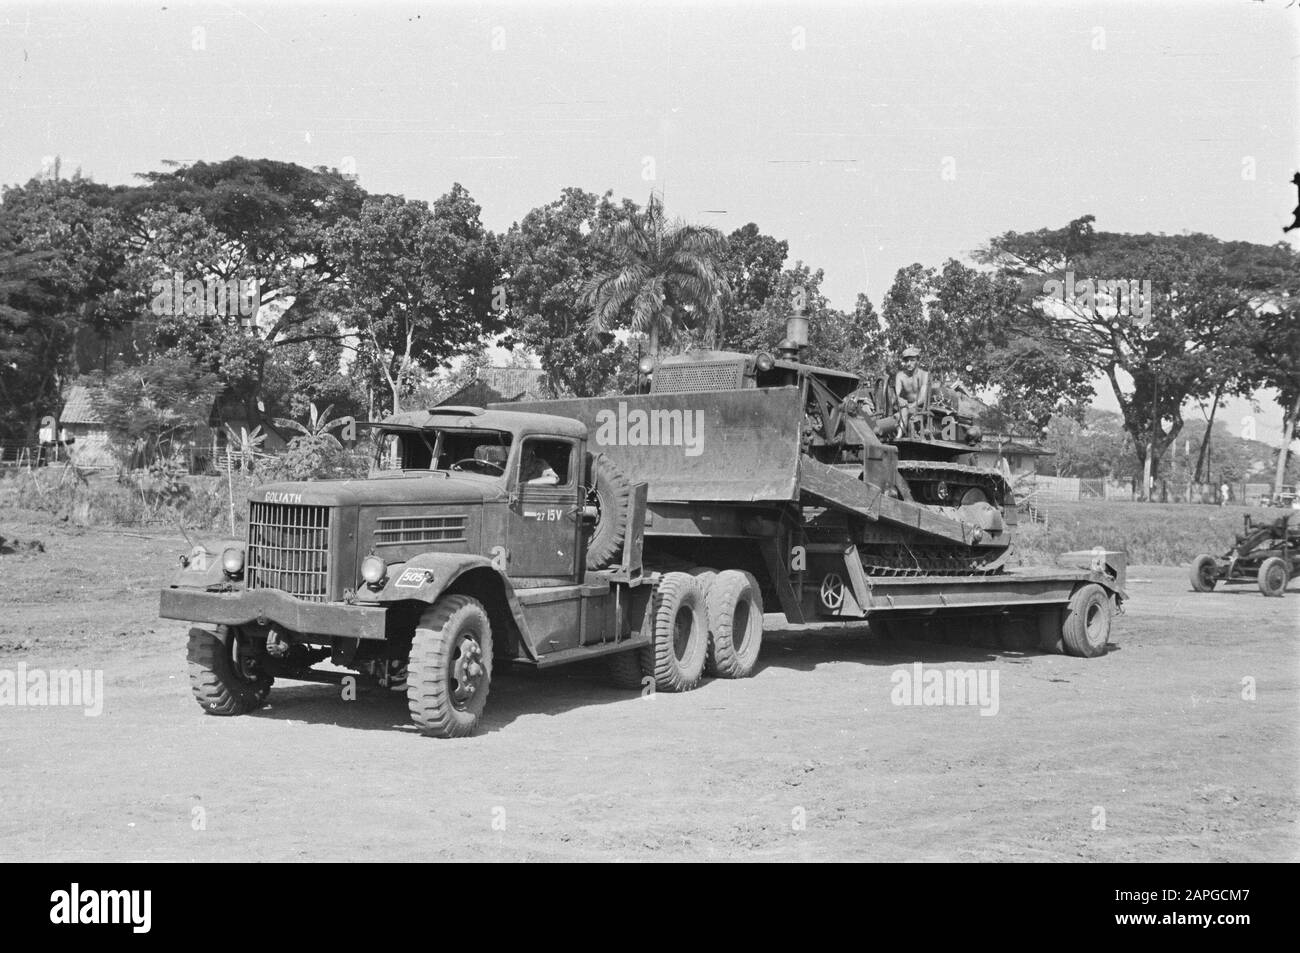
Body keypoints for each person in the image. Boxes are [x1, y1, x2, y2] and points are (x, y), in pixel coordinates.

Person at [893, 345, 930, 433]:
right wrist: (899, 400)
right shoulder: (900, 375)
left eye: (912, 360)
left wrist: (910, 406)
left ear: (918, 360)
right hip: (904, 407)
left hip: (920, 408)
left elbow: (922, 398)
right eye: (906, 361)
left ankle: (900, 434)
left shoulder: (924, 375)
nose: (909, 363)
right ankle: (899, 434)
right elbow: (897, 395)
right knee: (900, 414)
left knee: (904, 413)